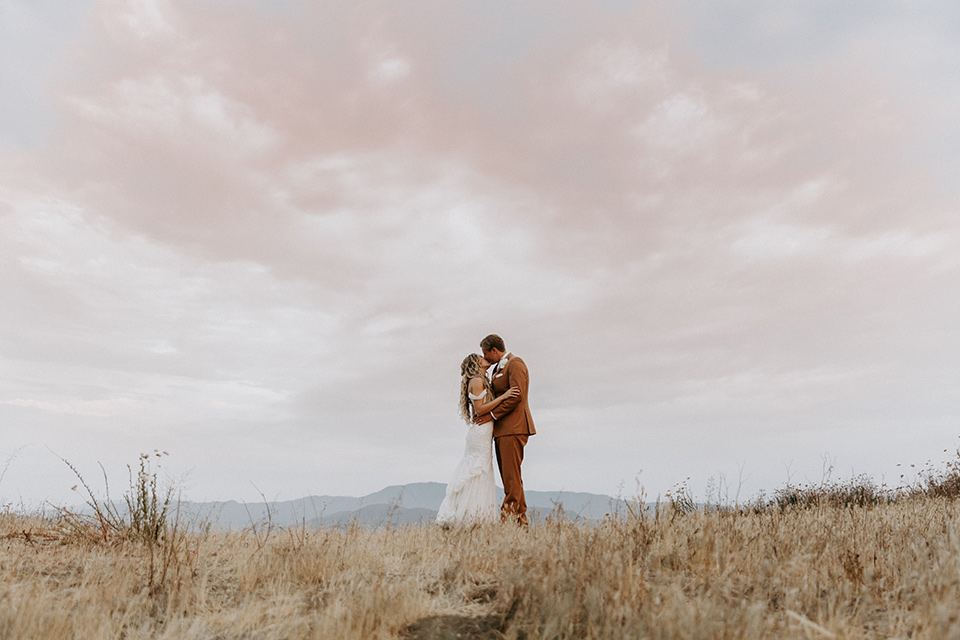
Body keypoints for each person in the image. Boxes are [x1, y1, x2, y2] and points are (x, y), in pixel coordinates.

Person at [436, 353, 519, 525]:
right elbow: (480, 410)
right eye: (481, 356)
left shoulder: (480, 379)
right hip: (481, 431)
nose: (485, 357)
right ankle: (469, 517)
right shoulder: (476, 381)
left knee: (482, 470)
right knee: (477, 470)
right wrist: (503, 397)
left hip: (484, 430)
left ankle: (478, 518)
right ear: (476, 362)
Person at [478, 334, 536, 526]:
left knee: (511, 479)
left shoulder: (515, 364)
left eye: (486, 353)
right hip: (502, 430)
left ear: (494, 350)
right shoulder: (497, 368)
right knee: (512, 479)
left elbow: (516, 396)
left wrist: (492, 415)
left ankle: (508, 521)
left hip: (514, 427)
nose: (485, 357)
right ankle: (520, 522)